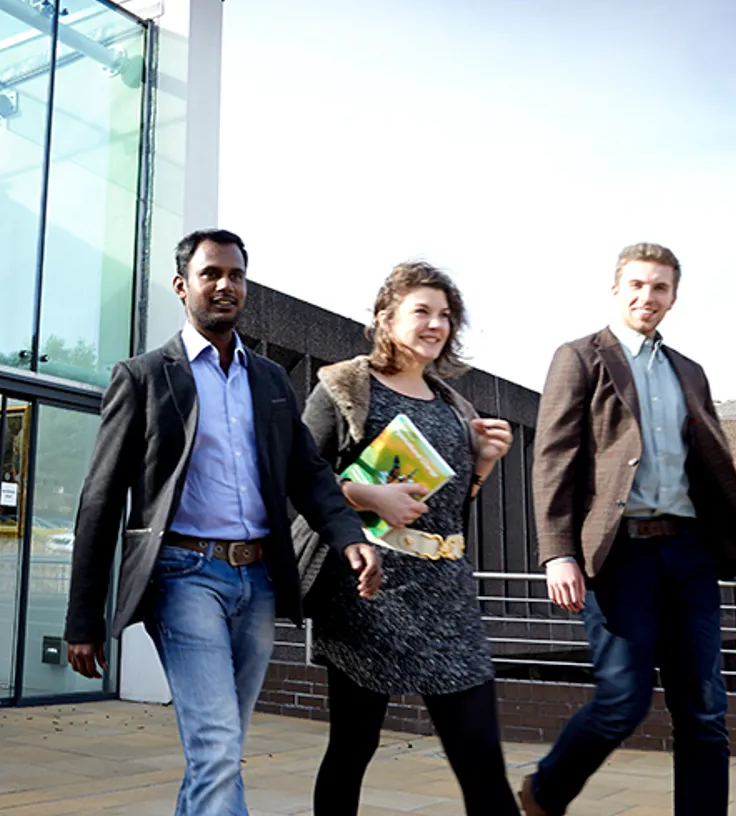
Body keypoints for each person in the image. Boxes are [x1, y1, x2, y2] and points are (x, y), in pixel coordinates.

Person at [64, 229, 382, 816]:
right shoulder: (143, 377)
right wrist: (83, 616)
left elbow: (307, 472)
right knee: (216, 747)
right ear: (183, 287)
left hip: (258, 582)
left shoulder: (267, 379)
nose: (225, 286)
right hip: (183, 577)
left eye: (235, 275)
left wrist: (349, 536)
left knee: (220, 748)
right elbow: (100, 499)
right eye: (211, 274)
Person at [521, 243, 736, 816]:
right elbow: (553, 458)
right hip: (621, 555)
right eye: (638, 285)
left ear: (674, 297)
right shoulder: (580, 357)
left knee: (704, 708)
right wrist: (557, 553)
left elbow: (713, 479)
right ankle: (547, 790)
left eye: (660, 288)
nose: (648, 297)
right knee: (622, 701)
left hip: (691, 555)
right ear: (616, 289)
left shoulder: (689, 373)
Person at [296, 261, 519, 815]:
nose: (436, 325)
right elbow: (297, 476)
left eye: (445, 316)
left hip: (447, 594)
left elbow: (446, 504)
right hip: (369, 591)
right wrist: (368, 497)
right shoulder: (346, 387)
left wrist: (484, 462)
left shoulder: (453, 404)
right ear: (385, 318)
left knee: (480, 755)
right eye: (422, 311)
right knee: (354, 744)